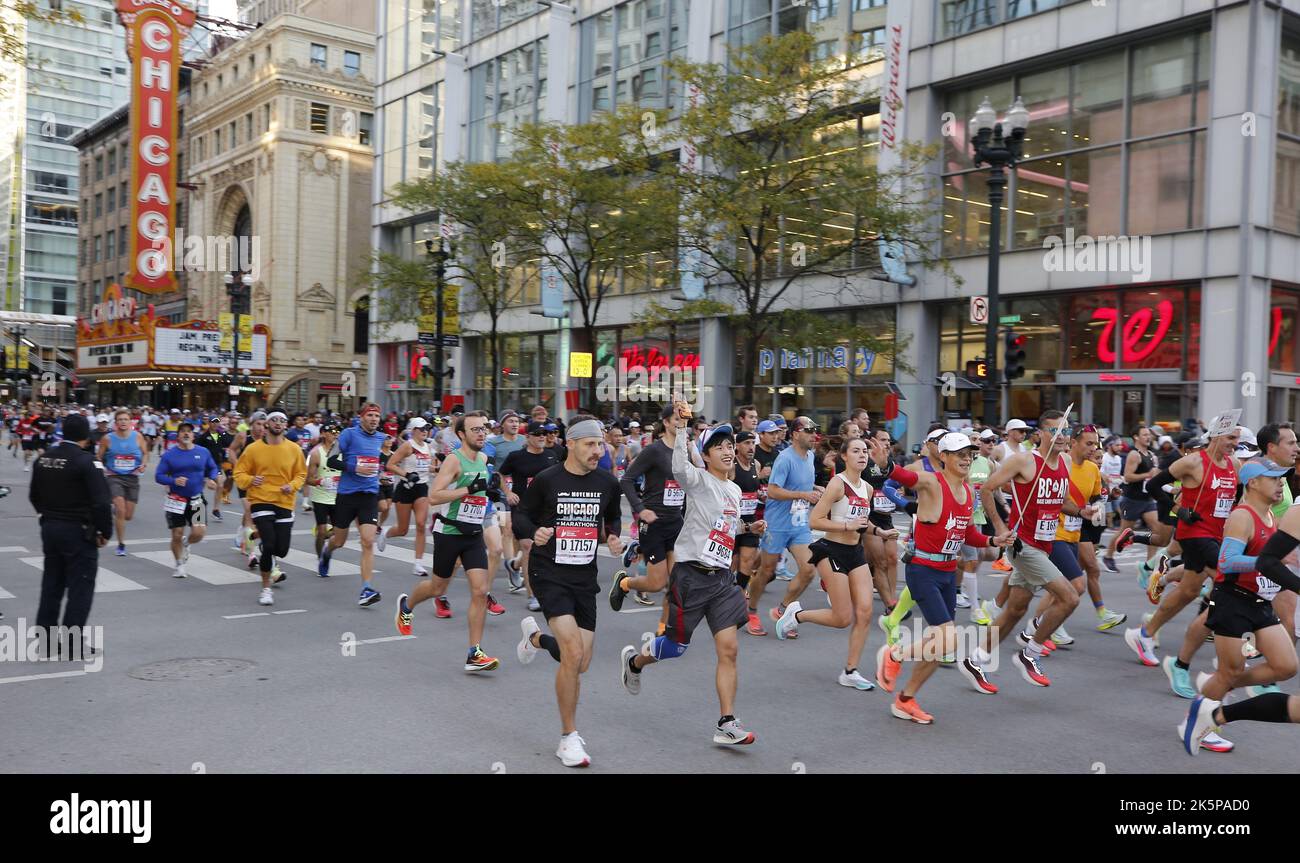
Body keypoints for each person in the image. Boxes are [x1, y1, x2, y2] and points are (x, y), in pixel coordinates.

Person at [620, 412, 759, 746]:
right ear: (706, 455)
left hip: (722, 581)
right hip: (691, 576)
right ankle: (635, 661)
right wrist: (682, 428)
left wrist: (747, 528)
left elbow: (724, 527)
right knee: (676, 647)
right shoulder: (697, 479)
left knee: (729, 649)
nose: (727, 450)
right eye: (719, 446)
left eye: (730, 445)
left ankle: (726, 722)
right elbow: (679, 466)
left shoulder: (735, 491)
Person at [875, 433, 1015, 721]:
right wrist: (885, 465)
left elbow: (967, 534)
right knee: (948, 639)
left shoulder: (968, 492)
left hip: (949, 573)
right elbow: (901, 475)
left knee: (940, 648)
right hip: (923, 570)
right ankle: (895, 654)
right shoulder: (931, 483)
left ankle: (906, 699)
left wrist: (993, 541)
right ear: (944, 457)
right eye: (960, 453)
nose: (966, 458)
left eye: (970, 454)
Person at [512, 417, 624, 767]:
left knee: (581, 662)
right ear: (571, 444)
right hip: (549, 573)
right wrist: (535, 533)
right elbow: (521, 517)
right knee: (573, 653)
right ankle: (568, 737)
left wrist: (616, 536)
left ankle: (535, 640)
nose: (598, 450)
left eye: (600, 444)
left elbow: (612, 518)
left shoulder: (607, 481)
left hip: (583, 578)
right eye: (591, 444)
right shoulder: (547, 480)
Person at [972, 411, 1096, 687]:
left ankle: (976, 659)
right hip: (1022, 544)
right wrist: (1000, 527)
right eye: (1054, 431)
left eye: (1064, 431)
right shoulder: (1024, 461)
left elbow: (1059, 501)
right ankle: (1031, 653)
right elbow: (987, 489)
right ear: (1040, 434)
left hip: (1044, 544)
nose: (1061, 436)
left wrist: (1081, 511)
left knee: (1015, 610)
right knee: (1070, 597)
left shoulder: (1063, 462)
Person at [1123, 417, 1240, 685]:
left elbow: (1238, 496)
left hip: (1216, 535)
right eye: (1231, 438)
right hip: (1194, 534)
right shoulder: (1193, 462)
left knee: (1188, 591)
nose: (1235, 444)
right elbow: (1154, 486)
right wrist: (1178, 510)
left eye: (1237, 439)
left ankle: (1144, 632)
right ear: (1216, 435)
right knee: (1231, 579)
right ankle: (1206, 657)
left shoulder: (1234, 465)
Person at [782, 436, 897, 690]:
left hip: (855, 552)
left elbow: (863, 523)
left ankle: (850, 671)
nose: (862, 455)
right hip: (831, 550)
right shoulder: (837, 484)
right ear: (844, 456)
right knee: (842, 618)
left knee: (865, 612)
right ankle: (797, 615)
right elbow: (815, 520)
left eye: (865, 451)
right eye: (856, 451)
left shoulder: (866, 488)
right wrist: (846, 525)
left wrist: (880, 533)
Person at [394, 411, 500, 672]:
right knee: (438, 588)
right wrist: (469, 490)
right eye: (475, 429)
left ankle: (474, 653)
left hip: (473, 532)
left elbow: (478, 493)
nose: (482, 433)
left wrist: (491, 491)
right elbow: (434, 496)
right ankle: (406, 605)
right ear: (462, 434)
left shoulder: (484, 458)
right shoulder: (454, 461)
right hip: (449, 533)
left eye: (484, 428)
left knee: (479, 590)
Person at [30, 413, 113, 652]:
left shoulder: (44, 459)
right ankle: (71, 642)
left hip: (50, 527)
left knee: (52, 584)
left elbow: (34, 495)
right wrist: (104, 531)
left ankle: (45, 640)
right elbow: (100, 502)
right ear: (86, 436)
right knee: (80, 587)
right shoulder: (87, 462)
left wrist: (46, 516)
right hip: (78, 530)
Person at [746, 417, 824, 635]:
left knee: (808, 570)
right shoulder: (784, 458)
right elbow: (772, 490)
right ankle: (750, 610)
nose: (813, 435)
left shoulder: (809, 457)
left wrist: (818, 488)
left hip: (799, 524)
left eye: (814, 430)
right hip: (778, 524)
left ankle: (783, 610)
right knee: (766, 571)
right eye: (809, 430)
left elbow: (802, 484)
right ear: (796, 434)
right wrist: (803, 494)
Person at [610, 404, 685, 614]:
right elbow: (626, 480)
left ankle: (665, 632)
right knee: (656, 584)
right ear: (667, 422)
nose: (681, 424)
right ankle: (625, 583)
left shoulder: (684, 451)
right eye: (677, 420)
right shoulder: (654, 450)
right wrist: (641, 509)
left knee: (677, 583)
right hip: (653, 523)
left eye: (684, 420)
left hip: (676, 522)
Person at [233, 411, 305, 605]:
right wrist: (250, 479)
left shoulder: (294, 449)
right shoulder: (253, 449)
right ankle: (266, 589)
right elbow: (238, 473)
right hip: (260, 499)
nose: (278, 423)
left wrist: (293, 485)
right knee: (270, 546)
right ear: (266, 425)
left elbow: (301, 474)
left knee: (281, 550)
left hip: (284, 501)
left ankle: (259, 536)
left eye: (282, 420)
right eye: (274, 419)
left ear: (285, 426)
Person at [319, 403, 384, 606]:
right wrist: (354, 467)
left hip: (369, 495)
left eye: (376, 416)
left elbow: (382, 462)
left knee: (367, 541)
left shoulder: (381, 438)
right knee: (339, 541)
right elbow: (331, 461)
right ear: (361, 417)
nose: (374, 419)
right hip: (347, 495)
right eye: (370, 415)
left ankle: (366, 589)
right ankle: (327, 552)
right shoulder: (348, 434)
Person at [501, 421, 560, 607]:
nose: (542, 436)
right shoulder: (516, 456)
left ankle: (514, 565)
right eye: (537, 433)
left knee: (544, 549)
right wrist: (509, 493)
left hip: (546, 510)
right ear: (527, 437)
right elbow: (501, 474)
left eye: (545, 433)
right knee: (528, 547)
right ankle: (532, 595)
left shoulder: (552, 456)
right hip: (522, 509)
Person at [154, 421, 221, 579]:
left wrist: (211, 479)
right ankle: (179, 565)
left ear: (193, 435)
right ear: (177, 436)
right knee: (176, 534)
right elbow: (159, 476)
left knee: (199, 533)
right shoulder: (170, 455)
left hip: (196, 498)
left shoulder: (203, 452)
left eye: (189, 432)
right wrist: (173, 481)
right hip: (176, 499)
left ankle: (187, 544)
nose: (186, 434)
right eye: (182, 431)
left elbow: (213, 468)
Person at [380, 417, 434, 577]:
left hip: (422, 488)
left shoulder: (428, 447)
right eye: (422, 428)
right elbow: (389, 464)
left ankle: (418, 564)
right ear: (413, 430)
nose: (425, 431)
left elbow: (426, 467)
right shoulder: (407, 446)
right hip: (405, 488)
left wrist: (438, 468)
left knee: (420, 524)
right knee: (402, 530)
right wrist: (407, 474)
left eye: (427, 428)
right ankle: (386, 532)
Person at [1103, 426, 1160, 572]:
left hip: (1147, 499)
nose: (1148, 437)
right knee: (1124, 530)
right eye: (1145, 435)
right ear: (1136, 437)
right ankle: (1108, 556)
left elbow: (1154, 476)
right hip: (1132, 499)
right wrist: (1147, 474)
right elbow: (1128, 476)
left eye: (1149, 435)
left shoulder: (1152, 455)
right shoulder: (1134, 455)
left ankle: (1149, 564)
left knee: (1156, 530)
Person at [97, 408, 148, 557]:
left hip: (132, 478)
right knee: (120, 509)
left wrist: (143, 464)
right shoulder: (108, 438)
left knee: (128, 516)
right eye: (120, 420)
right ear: (116, 422)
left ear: (131, 421)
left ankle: (118, 512)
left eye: (126, 419)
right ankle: (121, 544)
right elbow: (99, 456)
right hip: (114, 477)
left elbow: (145, 453)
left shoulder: (138, 436)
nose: (123, 422)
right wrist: (100, 469)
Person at [305, 423, 341, 558]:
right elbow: (308, 480)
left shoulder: (343, 452)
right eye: (332, 431)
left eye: (337, 432)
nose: (335, 434)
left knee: (338, 533)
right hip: (320, 497)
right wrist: (321, 481)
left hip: (338, 497)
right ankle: (321, 559)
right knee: (321, 531)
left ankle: (327, 548)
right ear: (323, 434)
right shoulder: (315, 453)